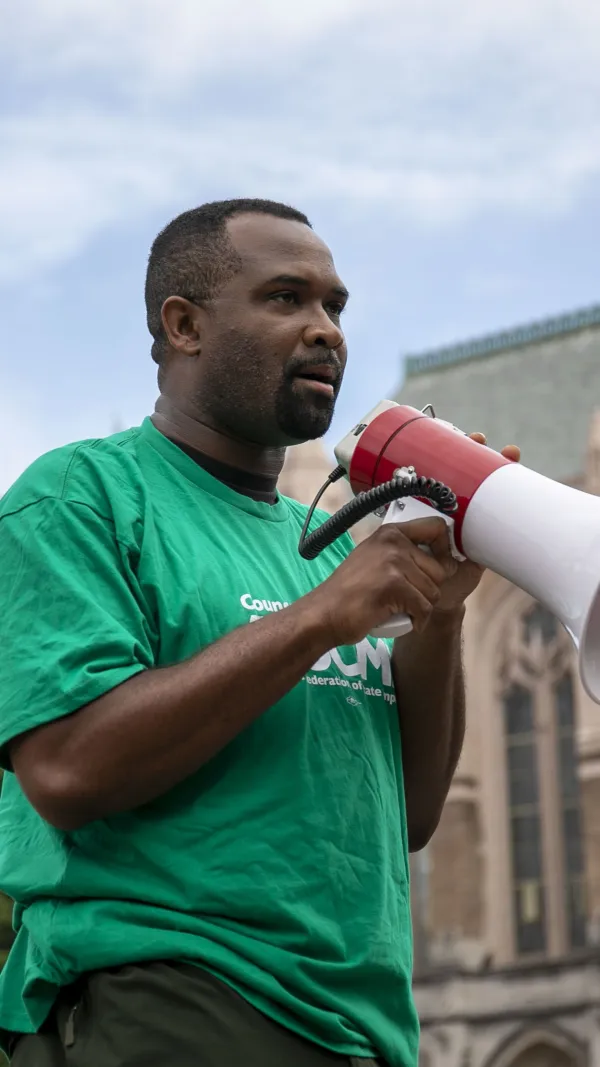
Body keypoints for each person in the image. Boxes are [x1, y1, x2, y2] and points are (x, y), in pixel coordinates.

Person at [0, 198, 519, 1067]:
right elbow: (66, 766)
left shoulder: (321, 550)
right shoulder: (78, 498)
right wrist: (320, 619)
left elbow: (412, 813)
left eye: (335, 307)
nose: (325, 331)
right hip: (176, 1006)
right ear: (185, 325)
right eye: (286, 298)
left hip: (366, 1031)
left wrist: (444, 609)